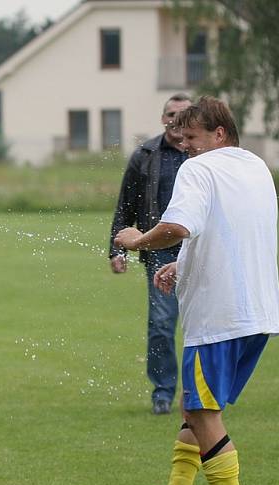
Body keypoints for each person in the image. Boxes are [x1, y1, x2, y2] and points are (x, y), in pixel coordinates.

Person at [114, 96, 279, 485]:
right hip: (259, 313)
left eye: (191, 138)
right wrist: (181, 266)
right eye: (179, 138)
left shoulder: (199, 169)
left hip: (218, 318)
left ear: (219, 134)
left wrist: (138, 240)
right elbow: (228, 228)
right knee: (196, 407)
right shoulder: (255, 167)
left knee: (203, 412)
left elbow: (178, 226)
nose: (183, 146)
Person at [109, 93, 192, 415]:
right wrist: (117, 249)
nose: (176, 119)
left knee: (204, 325)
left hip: (199, 250)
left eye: (183, 114)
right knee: (161, 323)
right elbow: (125, 206)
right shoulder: (145, 154)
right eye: (171, 113)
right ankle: (163, 391)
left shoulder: (202, 154)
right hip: (159, 250)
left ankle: (205, 391)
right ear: (163, 118)